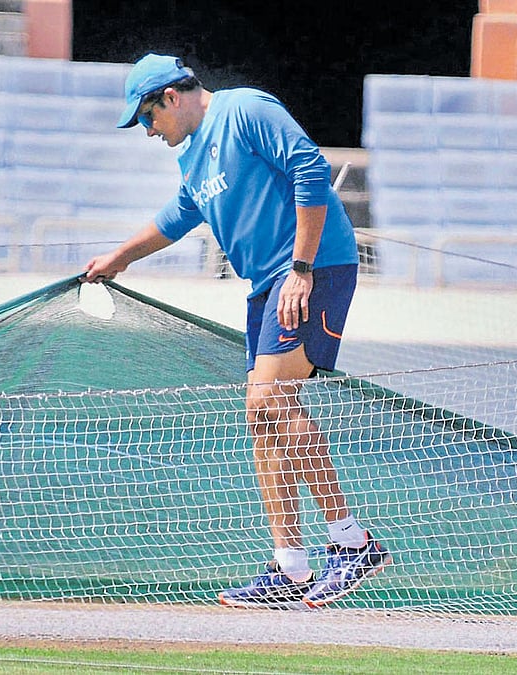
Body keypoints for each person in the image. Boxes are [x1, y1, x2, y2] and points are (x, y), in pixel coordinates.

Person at [84, 53, 391, 608]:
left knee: (270, 396)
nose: (148, 131)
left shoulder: (244, 109)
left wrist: (301, 268)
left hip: (311, 268)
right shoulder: (192, 160)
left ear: (171, 98)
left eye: (148, 117)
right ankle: (291, 566)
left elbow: (310, 168)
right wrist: (120, 258)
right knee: (260, 413)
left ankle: (353, 543)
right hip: (265, 284)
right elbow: (178, 216)